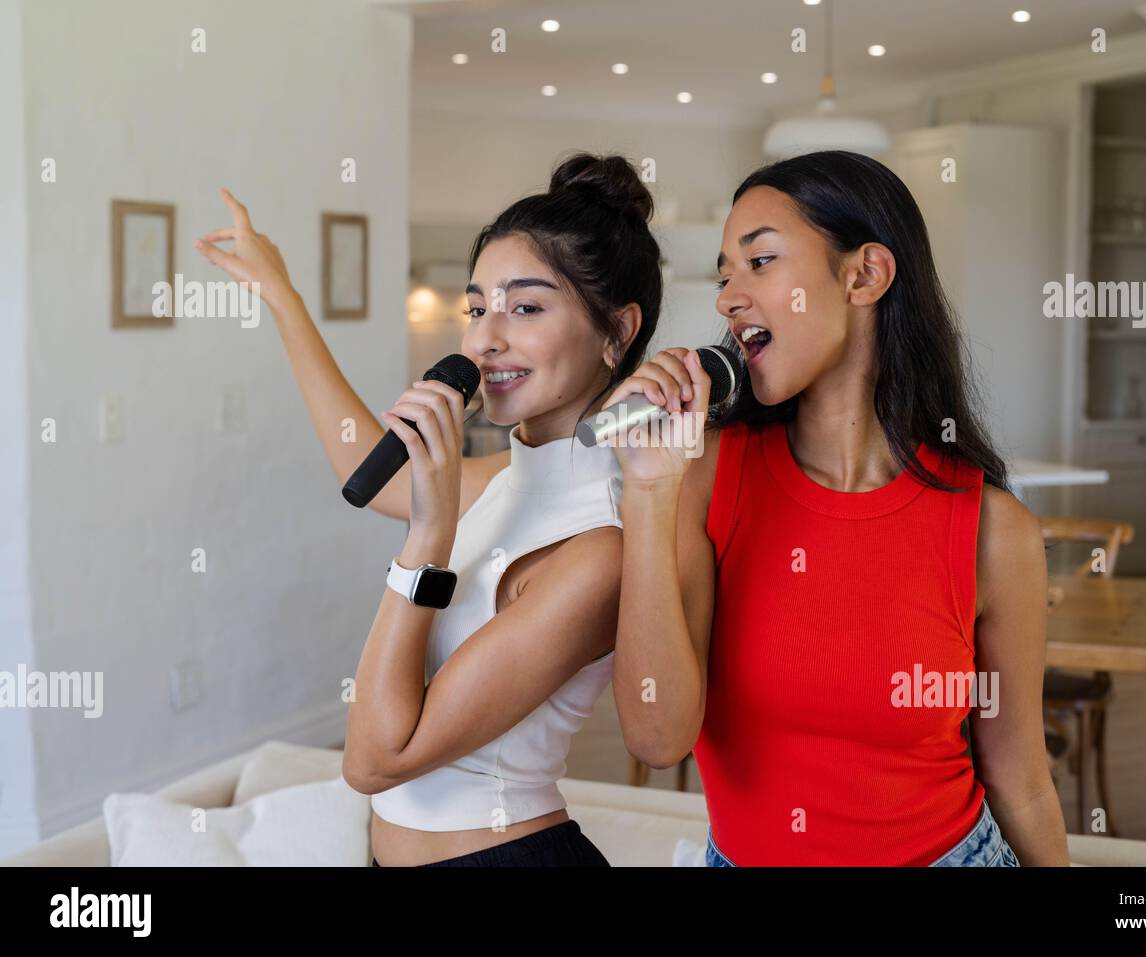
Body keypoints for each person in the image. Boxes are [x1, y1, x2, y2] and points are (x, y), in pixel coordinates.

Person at [603, 149, 1070, 866]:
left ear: (865, 275)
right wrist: (647, 492)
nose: (728, 297)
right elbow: (657, 737)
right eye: (725, 272)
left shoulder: (993, 532)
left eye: (759, 262)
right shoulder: (701, 479)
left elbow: (1022, 781)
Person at [196, 151, 662, 866]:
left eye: (526, 307)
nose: (484, 338)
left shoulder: (595, 549)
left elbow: (377, 758)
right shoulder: (504, 481)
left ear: (617, 331)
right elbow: (363, 462)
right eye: (477, 307)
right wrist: (282, 296)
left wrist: (429, 538)